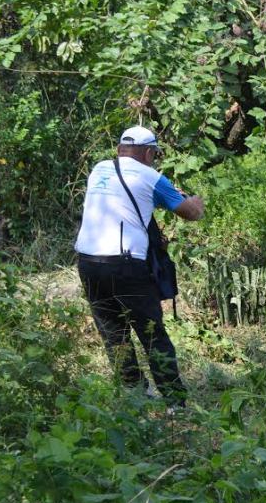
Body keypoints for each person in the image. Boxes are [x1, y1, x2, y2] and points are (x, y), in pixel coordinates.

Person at [74, 126, 204, 407]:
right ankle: (175, 405)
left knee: (113, 333)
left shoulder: (99, 169)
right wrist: (195, 201)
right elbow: (190, 213)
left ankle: (135, 395)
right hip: (125, 264)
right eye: (154, 155)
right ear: (148, 153)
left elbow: (125, 199)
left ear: (120, 150)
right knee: (152, 333)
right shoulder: (152, 176)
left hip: (87, 262)